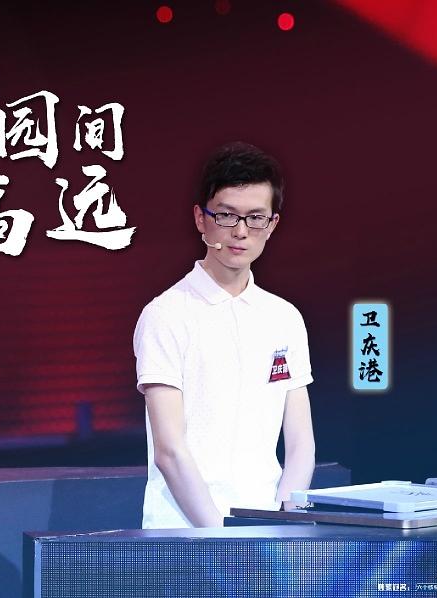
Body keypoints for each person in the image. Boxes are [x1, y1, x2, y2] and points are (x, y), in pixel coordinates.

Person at [133, 142, 315, 529]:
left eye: (255, 218)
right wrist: (223, 540)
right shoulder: (166, 314)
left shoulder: (284, 317)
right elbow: (169, 451)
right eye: (227, 215)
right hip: (182, 534)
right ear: (201, 219)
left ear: (272, 224)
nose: (241, 231)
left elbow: (301, 444)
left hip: (269, 534)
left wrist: (285, 523)